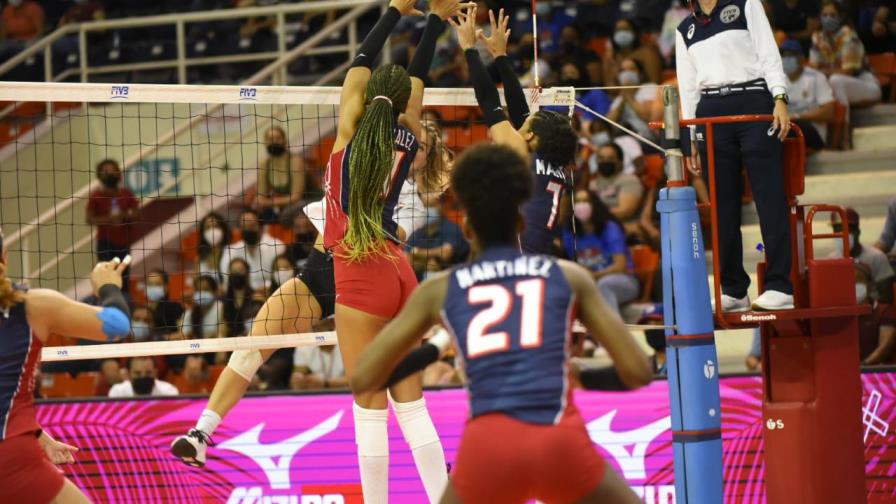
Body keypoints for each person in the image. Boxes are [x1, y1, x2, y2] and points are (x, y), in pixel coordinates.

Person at [349, 143, 653, 504]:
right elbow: (639, 371)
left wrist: (435, 349)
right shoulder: (569, 276)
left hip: (488, 450)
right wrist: (582, 375)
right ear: (522, 223)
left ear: (467, 229)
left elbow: (365, 378)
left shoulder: (440, 289)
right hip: (557, 443)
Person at [322, 2, 465, 500]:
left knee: (368, 400)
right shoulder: (407, 133)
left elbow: (357, 65)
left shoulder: (349, 132)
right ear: (405, 103)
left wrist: (394, 10)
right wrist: (434, 21)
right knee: (411, 402)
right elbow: (417, 76)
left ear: (365, 96)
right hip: (398, 269)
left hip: (360, 268)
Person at [676, 0, 795, 311]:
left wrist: (779, 97)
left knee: (769, 198)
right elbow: (687, 87)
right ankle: (733, 289)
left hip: (754, 101)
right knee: (722, 206)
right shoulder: (684, 29)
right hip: (710, 113)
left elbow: (768, 53)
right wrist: (690, 134)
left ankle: (781, 285)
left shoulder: (745, 4)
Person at [0, 227, 131, 503]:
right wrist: (108, 285)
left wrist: (36, 433)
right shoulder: (32, 305)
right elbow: (117, 324)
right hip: (11, 456)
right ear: (5, 256)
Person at [453, 7, 578, 254]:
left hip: (523, 257)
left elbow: (489, 101)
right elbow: (520, 110)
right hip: (545, 254)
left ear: (531, 135)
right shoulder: (551, 164)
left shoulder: (523, 154)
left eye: (529, 123)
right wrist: (500, 56)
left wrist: (469, 49)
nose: (523, 123)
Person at [829, 208, 895, 365]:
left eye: (847, 229)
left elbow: (887, 297)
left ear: (857, 230)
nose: (843, 234)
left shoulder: (876, 258)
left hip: (871, 316)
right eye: (837, 229)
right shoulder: (829, 262)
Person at [566, 190, 640, 315]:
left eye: (585, 201)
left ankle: (611, 331)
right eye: (577, 202)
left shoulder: (610, 228)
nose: (581, 205)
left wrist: (595, 275)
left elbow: (620, 266)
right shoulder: (569, 232)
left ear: (594, 204)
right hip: (590, 281)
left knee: (603, 285)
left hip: (624, 280)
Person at [810, 0, 882, 108]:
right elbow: (813, 69)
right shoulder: (817, 37)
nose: (828, 18)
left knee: (835, 80)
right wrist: (822, 72)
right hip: (834, 84)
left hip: (864, 83)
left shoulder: (849, 36)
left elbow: (848, 72)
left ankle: (843, 122)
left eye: (832, 15)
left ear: (840, 17)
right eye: (824, 15)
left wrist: (822, 71)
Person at [86, 159, 140, 293]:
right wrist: (108, 219)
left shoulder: (126, 193)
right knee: (105, 277)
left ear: (119, 173)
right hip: (105, 243)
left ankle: (124, 304)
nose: (110, 174)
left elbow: (137, 214)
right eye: (106, 171)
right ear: (99, 175)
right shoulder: (96, 196)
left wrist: (124, 215)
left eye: (113, 170)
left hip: (124, 242)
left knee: (124, 277)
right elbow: (89, 219)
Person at [780, 39, 835, 150]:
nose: (785, 60)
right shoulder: (778, 81)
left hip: (813, 132)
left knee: (795, 126)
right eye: (783, 56)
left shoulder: (816, 77)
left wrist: (797, 117)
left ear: (801, 59)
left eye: (790, 56)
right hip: (787, 129)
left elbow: (829, 112)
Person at [219, 208, 284, 291]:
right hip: (244, 296)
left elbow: (283, 275)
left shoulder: (277, 246)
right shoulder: (230, 251)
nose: (248, 229)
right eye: (243, 227)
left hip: (274, 293)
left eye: (251, 225)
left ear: (261, 227)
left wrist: (267, 287)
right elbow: (227, 280)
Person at [590, 143, 644, 236]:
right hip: (597, 230)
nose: (605, 161)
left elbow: (625, 211)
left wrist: (591, 217)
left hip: (624, 229)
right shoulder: (592, 184)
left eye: (610, 158)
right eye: (601, 158)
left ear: (620, 161)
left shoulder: (630, 180)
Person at [255, 126, 306, 225]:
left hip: (305, 202)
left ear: (284, 141)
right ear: (265, 143)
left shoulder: (295, 161)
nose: (274, 141)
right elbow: (260, 198)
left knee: (287, 214)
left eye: (277, 138)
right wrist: (265, 202)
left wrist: (268, 203)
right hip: (285, 206)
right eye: (270, 139)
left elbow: (296, 197)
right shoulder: (264, 164)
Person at [406, 203, 470, 281]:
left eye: (431, 206)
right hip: (420, 281)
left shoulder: (451, 228)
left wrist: (418, 254)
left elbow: (445, 254)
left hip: (454, 279)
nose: (427, 210)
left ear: (440, 208)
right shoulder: (418, 232)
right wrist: (428, 261)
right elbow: (408, 260)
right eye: (425, 207)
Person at [606, 58, 659, 140]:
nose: (626, 73)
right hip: (624, 136)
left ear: (640, 74)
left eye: (631, 69)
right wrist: (623, 97)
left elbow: (649, 117)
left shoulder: (649, 88)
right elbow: (609, 123)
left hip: (648, 137)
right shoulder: (620, 96)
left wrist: (629, 97)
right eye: (623, 70)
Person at [603, 18, 664, 86]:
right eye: (618, 30)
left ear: (634, 32)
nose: (622, 33)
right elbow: (609, 87)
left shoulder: (647, 54)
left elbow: (655, 83)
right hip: (619, 95)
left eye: (626, 29)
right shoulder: (610, 57)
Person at [222, 258, 264, 337]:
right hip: (231, 343)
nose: (237, 273)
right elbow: (223, 329)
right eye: (234, 271)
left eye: (240, 270)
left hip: (251, 341)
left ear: (247, 273)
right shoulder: (226, 301)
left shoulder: (257, 298)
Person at [109, 356, 179, 397]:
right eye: (137, 373)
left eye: (148, 373)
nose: (143, 377)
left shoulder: (168, 392)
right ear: (128, 374)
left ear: (155, 372)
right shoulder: (117, 392)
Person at [144, 268, 184, 339]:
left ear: (166, 286)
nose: (153, 287)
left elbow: (184, 332)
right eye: (150, 284)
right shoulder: (143, 310)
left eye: (157, 284)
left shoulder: (174, 307)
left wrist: (164, 338)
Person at [196, 212, 231, 282]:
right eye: (208, 227)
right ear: (203, 233)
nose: (212, 231)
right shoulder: (200, 259)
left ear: (223, 229)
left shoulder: (233, 252)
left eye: (216, 226)